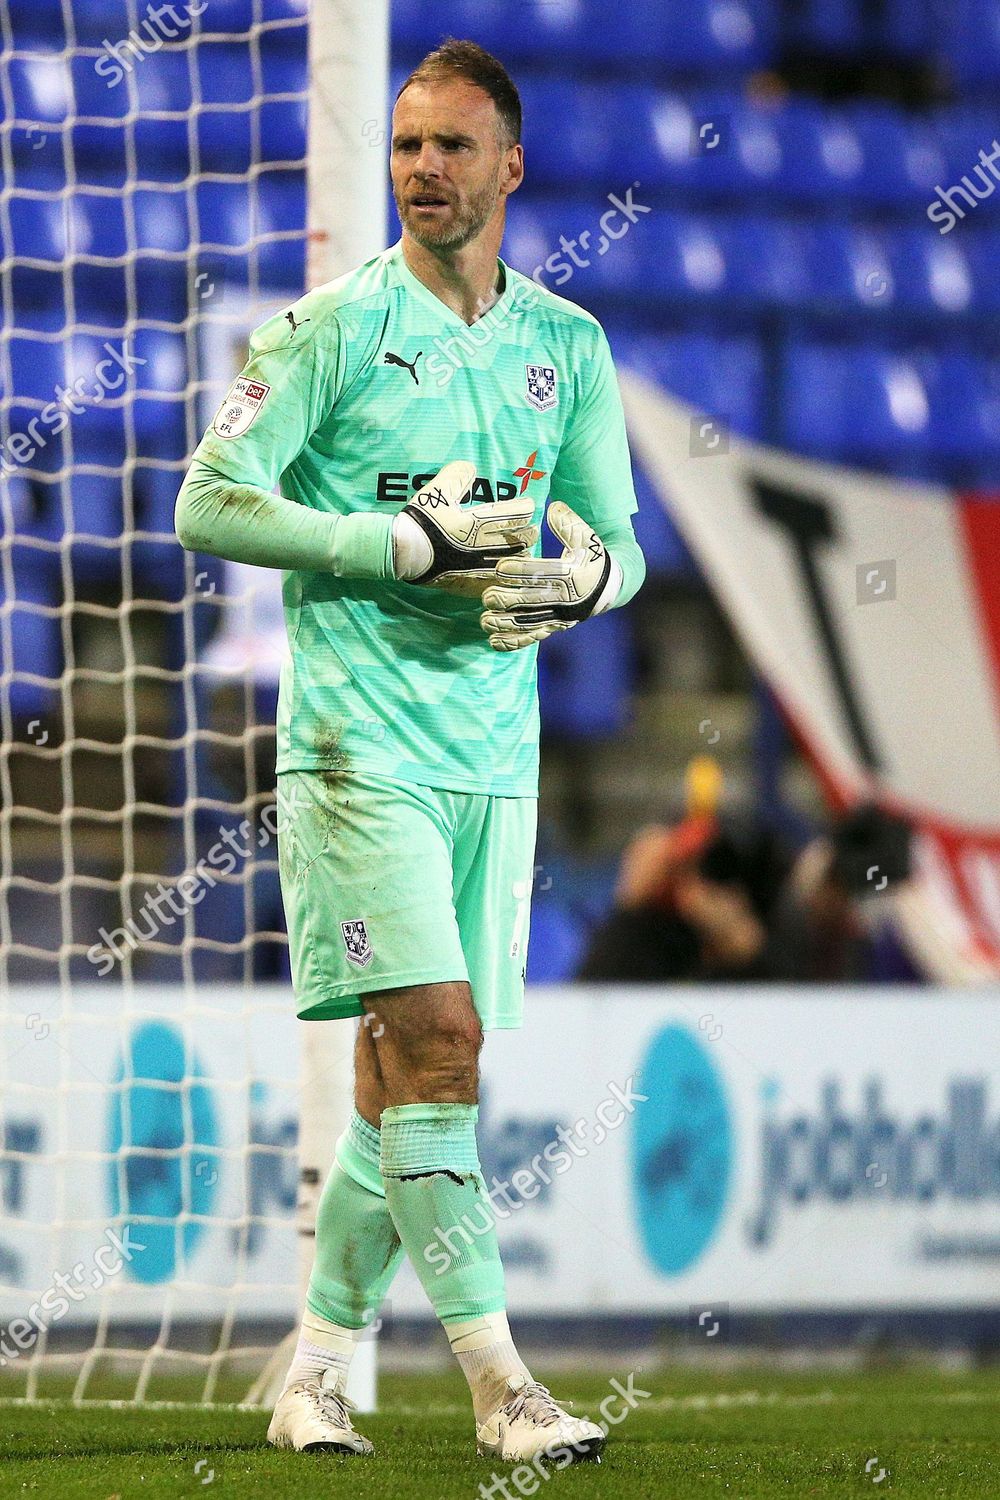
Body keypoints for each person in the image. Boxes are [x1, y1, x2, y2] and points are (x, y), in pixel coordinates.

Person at [175, 39, 644, 1464]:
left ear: (511, 165)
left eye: (451, 147)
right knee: (437, 1043)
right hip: (352, 746)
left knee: (413, 1070)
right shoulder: (325, 332)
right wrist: (392, 541)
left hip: (493, 764)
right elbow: (208, 501)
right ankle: (505, 1391)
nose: (423, 170)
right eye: (404, 145)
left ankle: (311, 1372)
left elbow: (618, 546)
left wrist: (580, 587)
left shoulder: (568, 348)